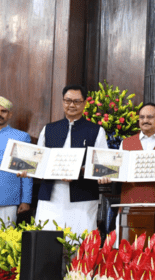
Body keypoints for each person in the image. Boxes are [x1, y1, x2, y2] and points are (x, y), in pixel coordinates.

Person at [35, 85, 107, 234]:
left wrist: (80, 171)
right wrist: (27, 170)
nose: (71, 105)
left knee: (80, 238)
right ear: (62, 102)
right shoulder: (48, 129)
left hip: (83, 196)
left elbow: (101, 164)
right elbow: (38, 160)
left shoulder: (96, 130)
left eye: (76, 101)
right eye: (68, 101)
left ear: (84, 103)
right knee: (47, 239)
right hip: (51, 195)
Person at [99, 103, 155, 203]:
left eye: (150, 117)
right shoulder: (125, 143)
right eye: (142, 117)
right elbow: (118, 170)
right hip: (130, 202)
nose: (145, 120)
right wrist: (106, 176)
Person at [0, 96, 32, 228]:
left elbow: (27, 171)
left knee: (4, 242)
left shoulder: (21, 137)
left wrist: (26, 200)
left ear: (10, 114)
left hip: (7, 197)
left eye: (3, 111)